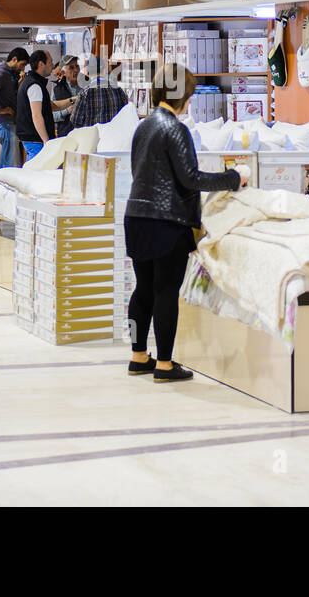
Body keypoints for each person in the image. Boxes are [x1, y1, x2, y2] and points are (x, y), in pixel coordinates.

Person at [124, 64, 247, 383]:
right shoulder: (175, 129)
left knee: (144, 290)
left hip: (136, 218)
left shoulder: (144, 126)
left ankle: (139, 356)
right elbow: (191, 178)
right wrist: (235, 178)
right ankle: (164, 363)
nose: (190, 103)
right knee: (166, 291)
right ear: (182, 95)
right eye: (190, 96)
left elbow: (141, 173)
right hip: (167, 222)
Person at [0, 46, 29, 170]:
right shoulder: (2, 72)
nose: (22, 68)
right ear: (14, 59)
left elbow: (8, 93)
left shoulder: (10, 74)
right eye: (22, 65)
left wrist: (18, 85)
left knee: (6, 165)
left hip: (8, 123)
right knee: (11, 166)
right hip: (5, 123)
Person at [16, 49, 65, 162]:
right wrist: (46, 141)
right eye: (50, 62)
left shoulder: (31, 82)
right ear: (41, 64)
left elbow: (50, 106)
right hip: (36, 140)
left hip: (33, 139)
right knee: (36, 174)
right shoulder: (34, 85)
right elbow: (37, 115)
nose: (53, 66)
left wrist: (72, 100)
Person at [70, 55, 130, 129]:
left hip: (93, 138)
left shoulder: (85, 93)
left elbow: (76, 121)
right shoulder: (118, 90)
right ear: (104, 70)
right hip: (114, 136)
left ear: (88, 72)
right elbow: (126, 114)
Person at [51, 55, 83, 136]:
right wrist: (66, 111)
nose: (76, 70)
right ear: (63, 73)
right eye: (71, 68)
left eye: (77, 66)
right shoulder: (57, 89)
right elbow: (51, 115)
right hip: (65, 134)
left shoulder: (87, 84)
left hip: (84, 133)